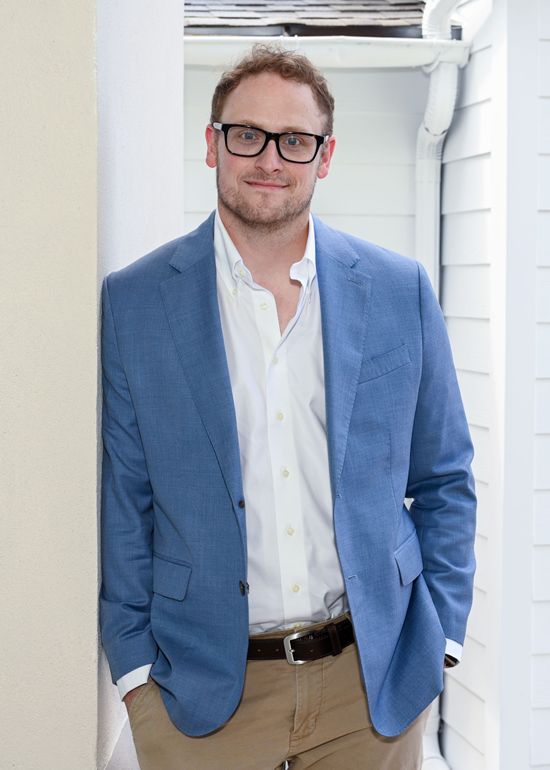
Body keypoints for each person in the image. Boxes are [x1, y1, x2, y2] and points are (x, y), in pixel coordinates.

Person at [100, 43, 476, 770]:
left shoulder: (400, 291)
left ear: (324, 157)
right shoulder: (137, 301)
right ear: (212, 144)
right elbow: (126, 498)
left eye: (294, 141)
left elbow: (444, 478)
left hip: (371, 691)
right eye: (248, 135)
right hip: (200, 697)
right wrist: (135, 678)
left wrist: (443, 640)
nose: (269, 159)